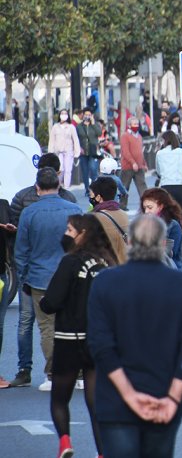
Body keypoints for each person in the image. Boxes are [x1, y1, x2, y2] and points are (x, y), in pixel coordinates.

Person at [87, 215, 182, 458]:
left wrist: (129, 394)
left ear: (129, 242)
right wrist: (174, 396)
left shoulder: (106, 282)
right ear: (162, 244)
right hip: (164, 396)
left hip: (116, 400)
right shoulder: (181, 283)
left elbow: (100, 344)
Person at [39, 214, 117, 458]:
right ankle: (103, 452)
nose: (66, 234)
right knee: (96, 403)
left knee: (60, 398)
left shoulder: (70, 262)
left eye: (70, 229)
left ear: (82, 233)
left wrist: (44, 303)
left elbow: (52, 301)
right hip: (96, 339)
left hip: (68, 338)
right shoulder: (105, 262)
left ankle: (65, 442)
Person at [14, 168, 82, 392]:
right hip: (71, 277)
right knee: (75, 324)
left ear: (37, 187)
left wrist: (23, 277)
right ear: (59, 185)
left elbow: (21, 251)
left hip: (39, 277)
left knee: (47, 328)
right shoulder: (74, 209)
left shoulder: (29, 213)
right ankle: (79, 372)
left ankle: (54, 373)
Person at [155, 131, 182, 220]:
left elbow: (158, 172)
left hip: (166, 187)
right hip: (181, 187)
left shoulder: (159, 154)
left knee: (168, 218)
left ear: (165, 141)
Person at [141, 188, 182, 269]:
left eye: (150, 207)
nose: (146, 211)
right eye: (144, 208)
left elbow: (170, 253)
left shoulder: (172, 225)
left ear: (161, 206)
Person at [90, 177, 130, 264]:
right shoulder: (124, 215)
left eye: (91, 195)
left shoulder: (93, 219)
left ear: (98, 197)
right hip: (123, 264)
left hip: (105, 267)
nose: (90, 198)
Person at [118, 117, 149, 210]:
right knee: (124, 186)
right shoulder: (125, 136)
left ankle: (146, 205)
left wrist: (144, 164)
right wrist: (133, 162)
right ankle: (122, 205)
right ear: (129, 125)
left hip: (139, 166)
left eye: (137, 123)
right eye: (134, 124)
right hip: (127, 166)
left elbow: (140, 152)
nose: (136, 125)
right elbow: (125, 152)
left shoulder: (139, 136)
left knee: (142, 186)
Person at [48, 109, 82, 190]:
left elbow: (75, 140)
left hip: (68, 151)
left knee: (68, 170)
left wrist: (77, 152)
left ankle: (66, 187)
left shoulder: (71, 127)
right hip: (58, 152)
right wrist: (50, 152)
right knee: (60, 169)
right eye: (62, 113)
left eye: (65, 113)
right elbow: (52, 140)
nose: (64, 115)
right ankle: (58, 186)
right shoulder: (55, 127)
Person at [77, 109, 101, 193]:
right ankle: (87, 189)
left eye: (89, 114)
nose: (87, 116)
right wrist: (79, 148)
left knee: (93, 168)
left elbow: (99, 133)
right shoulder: (79, 126)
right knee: (85, 171)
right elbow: (77, 138)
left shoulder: (94, 125)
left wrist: (93, 123)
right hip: (83, 151)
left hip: (93, 151)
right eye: (85, 114)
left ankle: (94, 188)